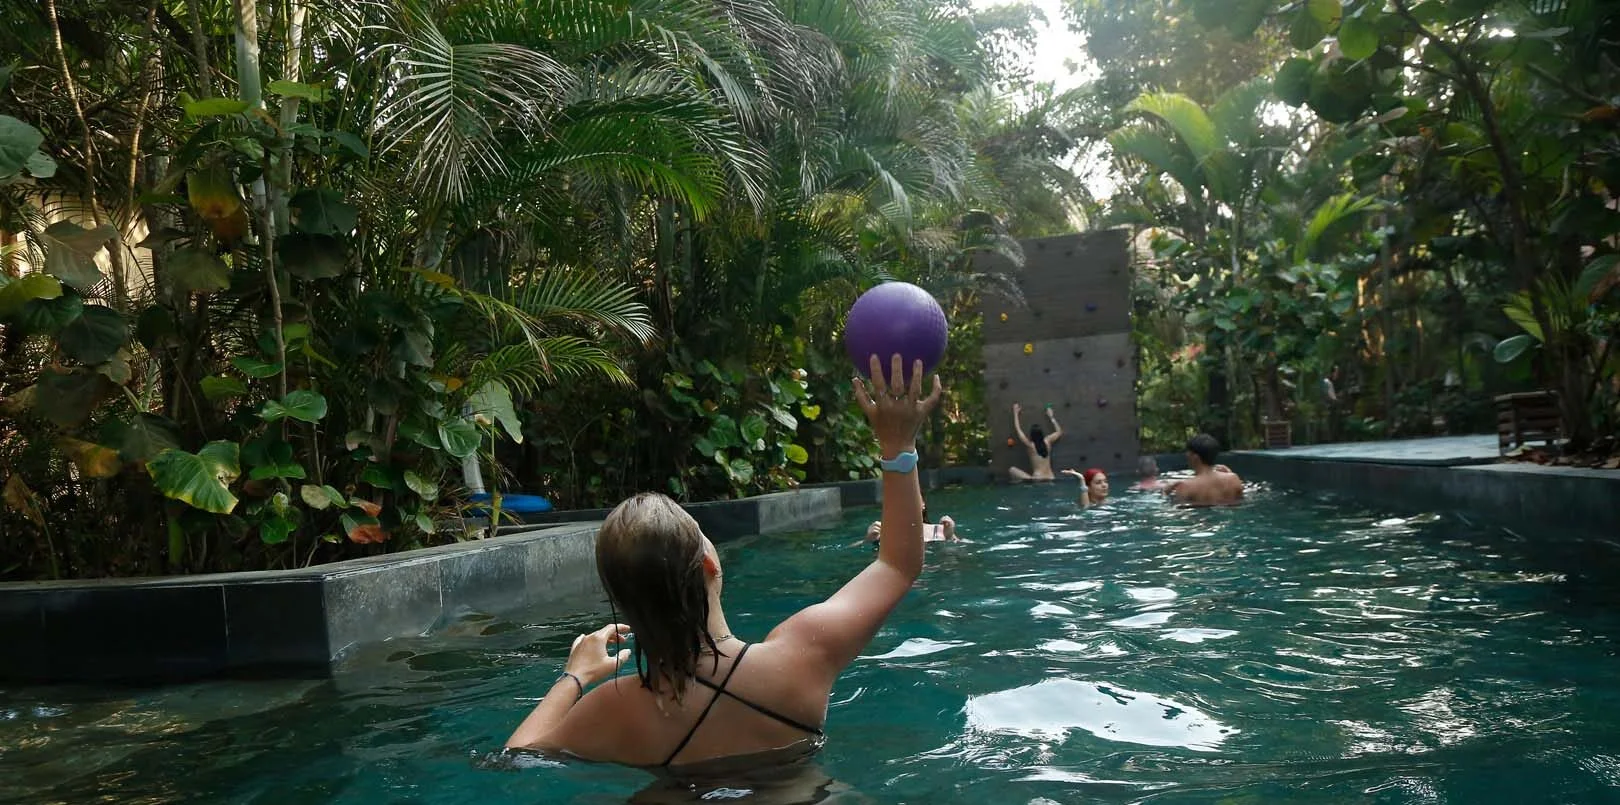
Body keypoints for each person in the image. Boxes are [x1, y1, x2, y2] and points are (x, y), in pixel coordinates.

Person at [506, 353, 943, 776]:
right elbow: (898, 564)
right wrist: (897, 445)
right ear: (710, 565)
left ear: (621, 598)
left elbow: (520, 756)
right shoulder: (800, 655)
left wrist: (575, 676)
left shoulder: (615, 708)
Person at [1162, 434, 1244, 506]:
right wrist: (1230, 473)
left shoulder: (1186, 486)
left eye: (1188, 452)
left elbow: (1178, 510)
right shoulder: (1233, 479)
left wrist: (1165, 492)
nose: (1186, 455)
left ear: (1195, 457)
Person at [1007, 403, 1062, 482]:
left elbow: (1018, 430)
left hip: (1037, 479)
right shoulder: (1048, 441)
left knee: (1012, 470)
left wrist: (1015, 413)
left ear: (1031, 436)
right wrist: (1051, 416)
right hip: (1051, 477)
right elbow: (1059, 432)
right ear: (1042, 434)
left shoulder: (1031, 446)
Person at [860, 502, 956, 546]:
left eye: (912, 497)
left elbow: (962, 552)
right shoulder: (885, 533)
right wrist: (868, 540)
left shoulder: (940, 530)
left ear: (923, 504)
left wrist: (950, 537)